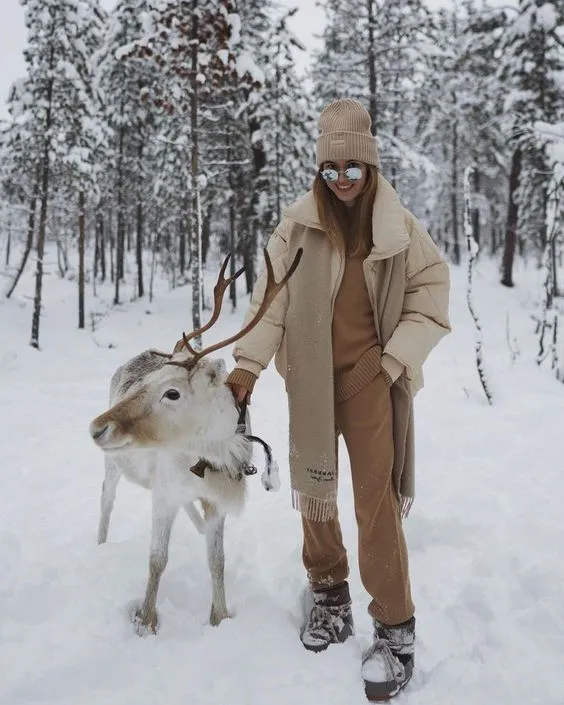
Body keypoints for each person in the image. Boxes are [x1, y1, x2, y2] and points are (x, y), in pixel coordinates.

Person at [226, 98, 451, 701]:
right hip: (312, 384)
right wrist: (246, 367)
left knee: (375, 503)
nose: (343, 178)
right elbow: (269, 305)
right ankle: (329, 596)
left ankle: (395, 626)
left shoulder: (398, 227)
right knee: (316, 495)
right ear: (319, 171)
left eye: (353, 166)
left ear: (370, 166)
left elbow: (431, 291)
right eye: (332, 168)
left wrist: (394, 359)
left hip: (372, 381)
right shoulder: (296, 228)